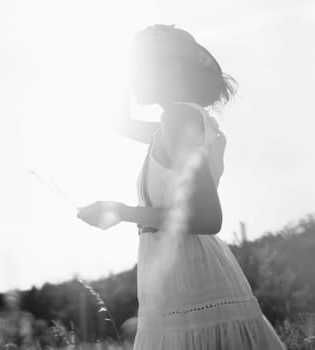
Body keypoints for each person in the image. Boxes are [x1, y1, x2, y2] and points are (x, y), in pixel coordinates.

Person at [76, 24, 286, 349]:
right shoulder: (174, 124)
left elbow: (206, 217)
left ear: (171, 66)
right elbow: (117, 122)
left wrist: (121, 211)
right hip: (179, 279)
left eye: (140, 66)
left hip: (191, 279)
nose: (134, 76)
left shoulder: (179, 119)